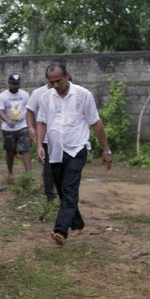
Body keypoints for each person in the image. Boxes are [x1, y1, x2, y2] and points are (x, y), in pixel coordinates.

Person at [36, 62, 112, 245]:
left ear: (67, 76)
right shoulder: (46, 97)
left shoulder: (83, 95)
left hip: (77, 149)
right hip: (55, 151)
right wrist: (39, 144)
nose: (55, 85)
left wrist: (106, 149)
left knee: (69, 189)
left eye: (58, 81)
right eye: (51, 81)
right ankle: (77, 222)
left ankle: (60, 230)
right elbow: (41, 122)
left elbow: (96, 123)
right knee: (63, 190)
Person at [26, 66, 57, 202]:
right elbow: (29, 111)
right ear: (46, 80)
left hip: (63, 137)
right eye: (51, 82)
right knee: (48, 167)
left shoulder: (65, 91)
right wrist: (31, 128)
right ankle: (50, 195)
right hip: (45, 136)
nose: (54, 85)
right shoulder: (38, 93)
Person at [0, 74, 31, 180]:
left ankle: (29, 174)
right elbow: (0, 111)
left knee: (25, 148)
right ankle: (10, 172)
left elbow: (29, 110)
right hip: (8, 129)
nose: (15, 86)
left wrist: (31, 125)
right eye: (13, 84)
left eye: (17, 84)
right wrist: (7, 120)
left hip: (23, 126)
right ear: (9, 83)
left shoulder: (25, 95)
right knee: (10, 151)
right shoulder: (2, 96)